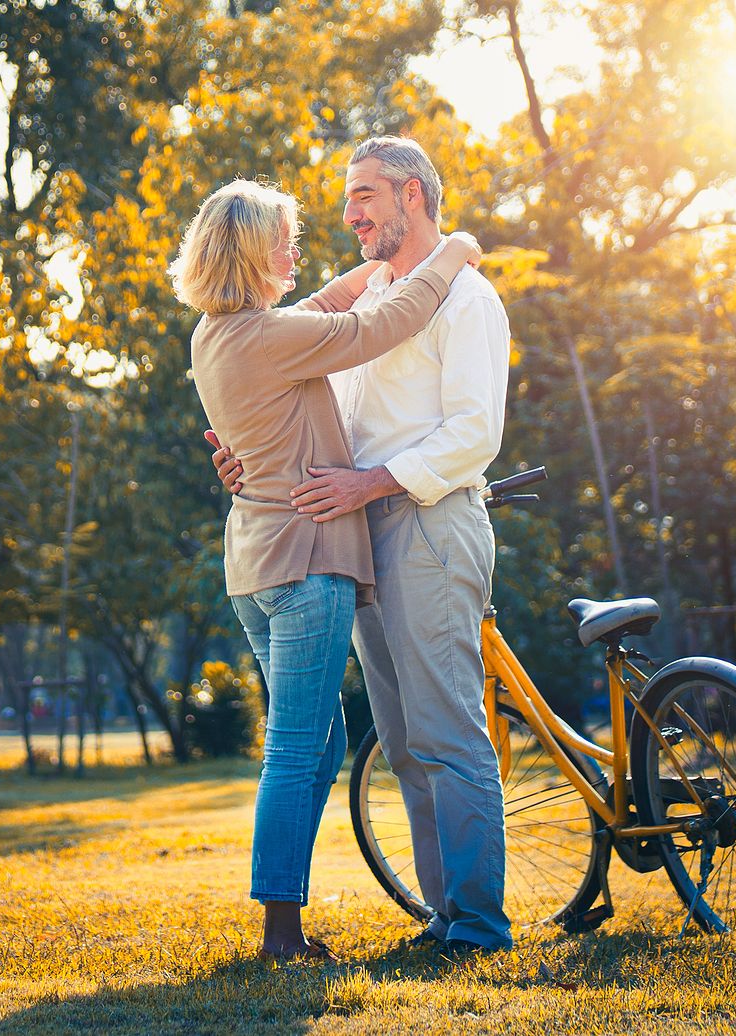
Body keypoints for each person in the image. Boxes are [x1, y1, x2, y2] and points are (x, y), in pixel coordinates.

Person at [210, 137, 514, 955]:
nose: (349, 216)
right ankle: (444, 917)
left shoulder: (465, 299)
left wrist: (369, 483)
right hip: (353, 534)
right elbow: (306, 403)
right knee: (405, 741)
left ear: (413, 194)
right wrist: (252, 453)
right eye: (347, 200)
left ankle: (480, 926)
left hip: (426, 519)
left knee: (447, 732)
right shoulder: (368, 298)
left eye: (364, 196)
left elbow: (474, 435)